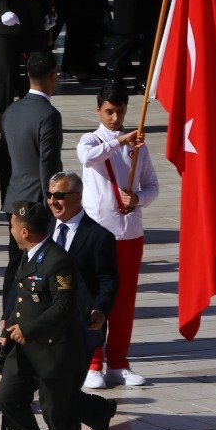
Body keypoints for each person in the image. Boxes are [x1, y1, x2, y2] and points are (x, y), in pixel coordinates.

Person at [0, 200, 88, 430]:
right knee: (7, 398)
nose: (11, 232)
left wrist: (29, 329)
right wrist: (9, 332)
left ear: (24, 232)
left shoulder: (57, 260)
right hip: (24, 350)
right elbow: (25, 302)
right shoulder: (30, 254)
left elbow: (65, 305)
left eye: (11, 227)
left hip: (53, 351)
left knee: (56, 414)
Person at [75, 82, 158, 388]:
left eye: (119, 111)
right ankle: (93, 362)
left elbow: (152, 185)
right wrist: (121, 139)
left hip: (131, 233)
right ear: (98, 110)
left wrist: (139, 200)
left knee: (124, 302)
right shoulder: (91, 139)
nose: (114, 117)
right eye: (109, 111)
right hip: (100, 234)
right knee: (97, 299)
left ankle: (119, 363)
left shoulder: (139, 146)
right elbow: (88, 157)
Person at [40, 172, 118, 430]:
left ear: (77, 197)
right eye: (49, 195)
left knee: (60, 393)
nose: (52, 201)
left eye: (59, 196)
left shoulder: (98, 236)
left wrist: (100, 309)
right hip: (44, 325)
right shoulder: (43, 229)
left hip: (80, 327)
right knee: (53, 391)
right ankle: (97, 411)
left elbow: (108, 279)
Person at [0, 51, 63, 250]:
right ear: (54, 76)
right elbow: (48, 163)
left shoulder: (11, 110)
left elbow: (5, 158)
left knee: (15, 261)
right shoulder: (49, 115)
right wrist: (52, 198)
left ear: (28, 75)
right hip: (37, 202)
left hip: (13, 198)